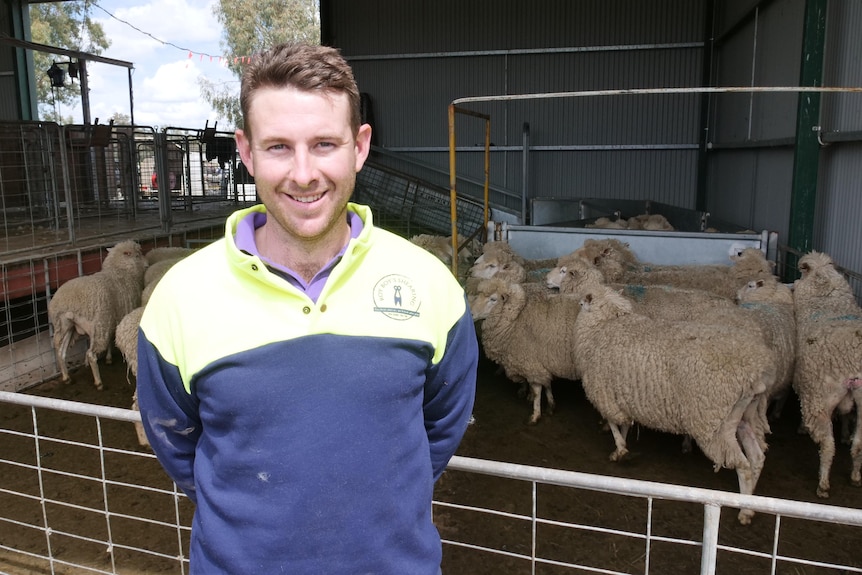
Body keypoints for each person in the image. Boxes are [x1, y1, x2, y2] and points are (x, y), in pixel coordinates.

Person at [135, 42, 478, 574]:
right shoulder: (180, 298)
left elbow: (441, 427)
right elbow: (176, 440)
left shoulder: (430, 285)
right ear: (246, 152)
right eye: (278, 147)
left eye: (324, 144)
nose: (303, 173)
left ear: (359, 147)